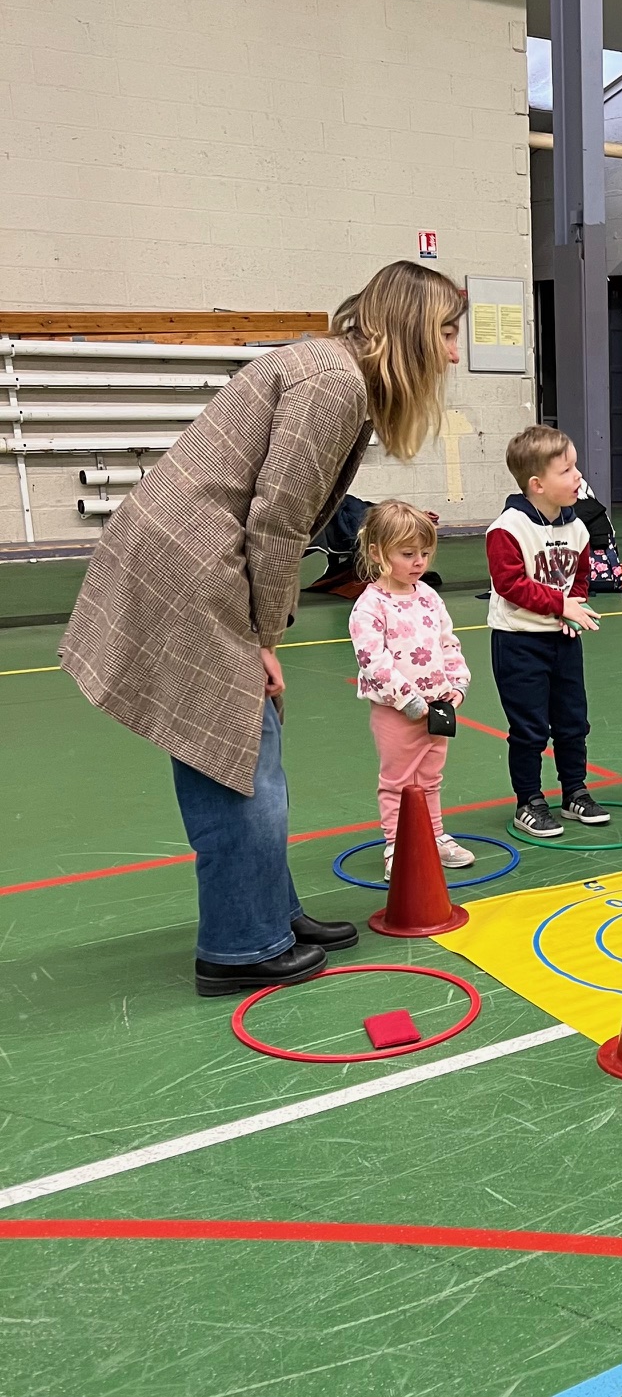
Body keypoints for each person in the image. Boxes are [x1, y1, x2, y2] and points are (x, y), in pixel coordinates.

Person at [60, 260, 466, 995]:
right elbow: (276, 520)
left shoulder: (334, 370)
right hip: (192, 566)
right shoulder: (334, 382)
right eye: (445, 332)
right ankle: (240, 946)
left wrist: (260, 636)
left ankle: (269, 911)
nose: (453, 352)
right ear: (409, 328)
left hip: (197, 559)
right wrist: (264, 639)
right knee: (233, 757)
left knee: (252, 749)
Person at [486, 426, 608, 839]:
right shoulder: (508, 528)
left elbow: (580, 576)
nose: (578, 477)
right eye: (567, 470)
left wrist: (572, 609)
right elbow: (510, 584)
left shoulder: (578, 528)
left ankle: (575, 790)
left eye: (575, 467)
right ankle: (529, 800)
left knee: (573, 721)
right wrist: (561, 605)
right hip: (519, 642)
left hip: (562, 640)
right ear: (537, 485)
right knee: (530, 727)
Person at [349, 500, 474, 881]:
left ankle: (434, 835)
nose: (418, 561)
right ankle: (396, 845)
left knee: (430, 778)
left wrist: (457, 684)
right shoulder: (370, 607)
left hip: (437, 707)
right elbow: (374, 660)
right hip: (396, 711)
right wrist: (407, 699)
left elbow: (447, 642)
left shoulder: (428, 597)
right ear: (377, 553)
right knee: (398, 781)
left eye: (424, 553)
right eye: (407, 554)